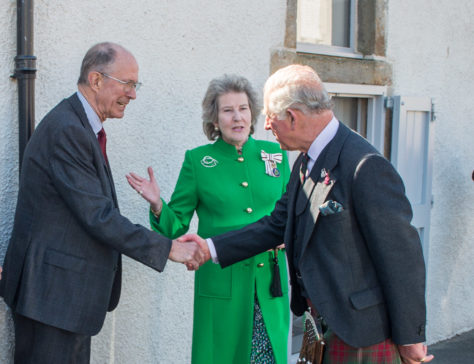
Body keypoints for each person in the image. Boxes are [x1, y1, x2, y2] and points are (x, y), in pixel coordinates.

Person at [181, 65, 434, 364]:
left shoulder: (364, 165)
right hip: (323, 328)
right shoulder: (305, 161)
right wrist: (210, 248)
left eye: (270, 119)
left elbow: (402, 257)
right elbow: (276, 224)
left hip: (363, 334)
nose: (265, 128)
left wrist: (410, 337)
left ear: (292, 116)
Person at [0, 42, 203, 364]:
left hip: (62, 298)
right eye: (128, 84)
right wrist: (167, 248)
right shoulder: (68, 130)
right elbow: (98, 215)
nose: (133, 94)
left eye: (136, 86)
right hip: (50, 298)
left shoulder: (78, 125)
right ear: (96, 80)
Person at [126, 74, 290, 364]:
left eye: (243, 108)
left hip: (267, 282)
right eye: (228, 110)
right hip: (221, 282)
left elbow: (292, 215)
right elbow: (176, 225)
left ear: (253, 113)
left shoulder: (275, 154)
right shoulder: (198, 161)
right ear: (215, 120)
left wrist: (289, 241)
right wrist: (156, 205)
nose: (237, 117)